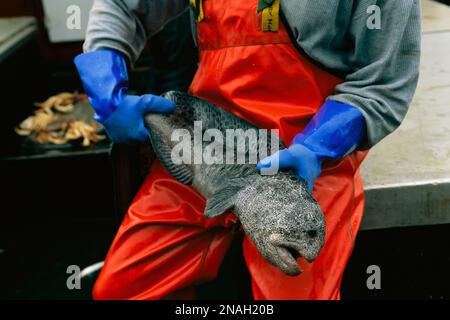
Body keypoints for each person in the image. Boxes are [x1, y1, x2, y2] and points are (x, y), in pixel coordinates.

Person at [74, 0, 421, 300]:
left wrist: (318, 147)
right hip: (203, 146)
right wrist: (106, 82)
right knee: (126, 289)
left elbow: (383, 83)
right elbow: (124, 6)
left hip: (303, 167)